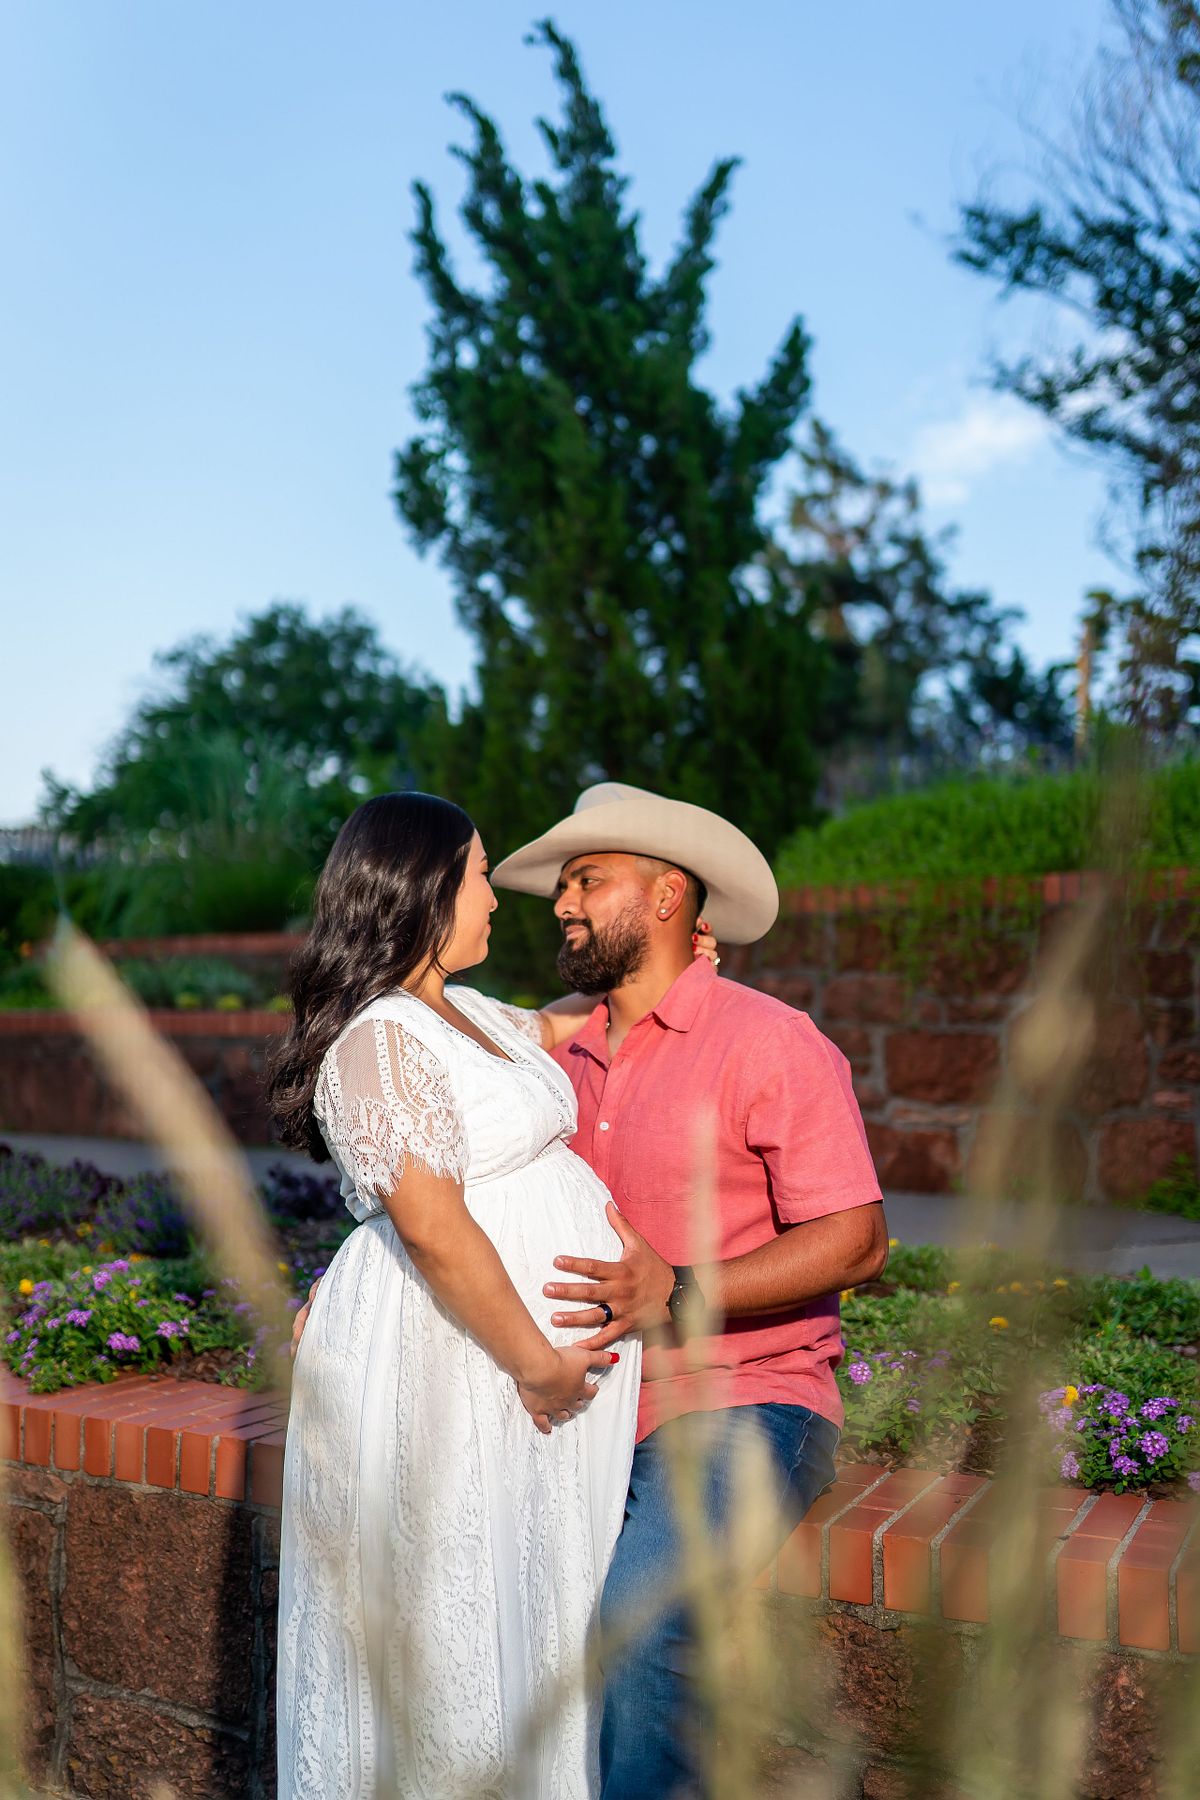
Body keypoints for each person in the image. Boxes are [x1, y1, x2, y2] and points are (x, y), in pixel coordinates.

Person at [490, 782, 888, 1800]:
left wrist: (683, 1290)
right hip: (581, 1410)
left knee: (639, 1636)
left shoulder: (770, 1041)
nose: (563, 903)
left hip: (742, 1405)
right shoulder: (555, 1060)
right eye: (563, 884)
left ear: (667, 897)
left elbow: (856, 1240)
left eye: (588, 880)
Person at [266, 792, 643, 1800]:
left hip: (514, 1370)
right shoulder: (379, 1039)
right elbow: (430, 1221)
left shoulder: (464, 1011)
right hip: (466, 1363)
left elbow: (561, 1024)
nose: (495, 896)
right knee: (451, 1612)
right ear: (423, 887)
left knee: (524, 1608)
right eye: (479, 872)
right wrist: (538, 1362)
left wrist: (664, 967)